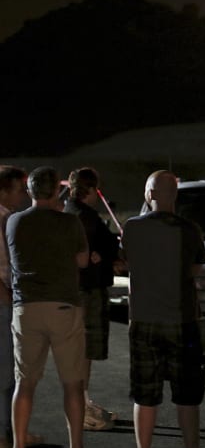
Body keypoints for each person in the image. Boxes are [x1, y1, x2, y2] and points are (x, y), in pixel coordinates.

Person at [2, 166, 107, 448]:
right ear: (55, 191)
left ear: (31, 191)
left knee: (25, 384)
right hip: (64, 306)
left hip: (26, 309)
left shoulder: (13, 222)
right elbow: (82, 260)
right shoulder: (69, 222)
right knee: (72, 384)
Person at [120, 169, 205, 448]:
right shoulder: (189, 229)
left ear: (149, 194)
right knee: (187, 393)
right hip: (182, 318)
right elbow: (195, 269)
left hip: (143, 319)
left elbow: (125, 264)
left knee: (145, 392)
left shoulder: (132, 228)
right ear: (175, 195)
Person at [63, 167, 121, 431]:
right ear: (89, 189)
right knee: (83, 350)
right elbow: (102, 247)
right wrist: (100, 252)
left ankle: (84, 401)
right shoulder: (83, 216)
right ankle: (82, 407)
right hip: (86, 290)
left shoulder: (71, 212)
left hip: (80, 289)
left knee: (82, 350)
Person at [1, 166, 45, 448]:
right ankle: (5, 437)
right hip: (3, 302)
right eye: (19, 189)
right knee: (5, 372)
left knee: (11, 372)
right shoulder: (3, 219)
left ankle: (13, 432)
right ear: (3, 191)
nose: (24, 194)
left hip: (7, 300)